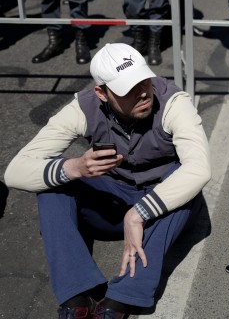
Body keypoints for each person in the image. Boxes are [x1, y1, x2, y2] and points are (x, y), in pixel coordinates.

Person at [4, 42, 211, 318]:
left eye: (144, 81)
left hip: (162, 213)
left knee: (183, 179)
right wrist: (75, 167)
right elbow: (14, 171)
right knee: (53, 179)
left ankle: (122, 299)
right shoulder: (83, 107)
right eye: (128, 88)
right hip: (113, 203)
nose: (142, 92)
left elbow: (199, 168)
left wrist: (138, 214)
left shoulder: (173, 102)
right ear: (101, 93)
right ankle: (78, 295)